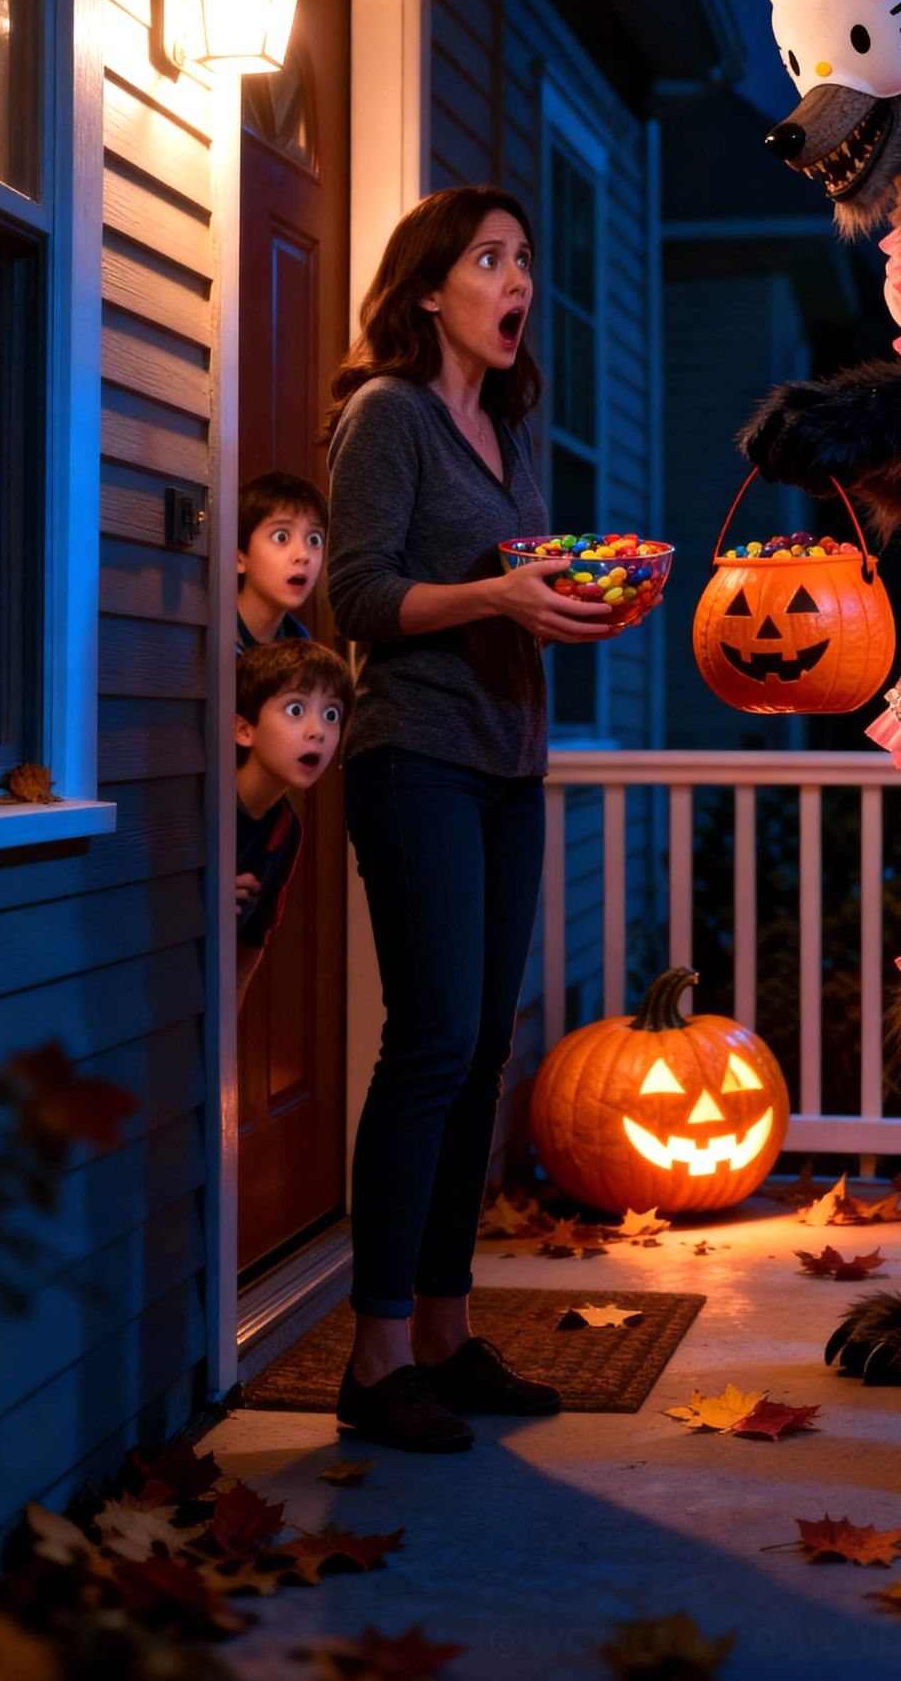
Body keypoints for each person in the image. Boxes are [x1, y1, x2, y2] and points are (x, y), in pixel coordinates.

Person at [325, 185, 614, 1454]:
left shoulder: (506, 425)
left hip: (508, 764)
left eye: (526, 262)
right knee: (432, 1045)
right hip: (415, 761)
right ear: (430, 286)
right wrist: (496, 596)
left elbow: (516, 590)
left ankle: (444, 1332)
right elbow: (361, 597)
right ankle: (374, 1356)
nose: (516, 284)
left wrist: (572, 598)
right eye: (491, 260)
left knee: (483, 1050)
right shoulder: (387, 416)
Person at [234, 638, 353, 1013]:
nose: (318, 731)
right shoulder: (205, 806)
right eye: (296, 709)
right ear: (244, 730)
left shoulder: (286, 828)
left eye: (332, 714)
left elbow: (254, 938)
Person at [237, 471, 328, 651]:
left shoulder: (300, 644)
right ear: (238, 558)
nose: (303, 555)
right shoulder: (210, 636)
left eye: (314, 540)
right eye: (281, 537)